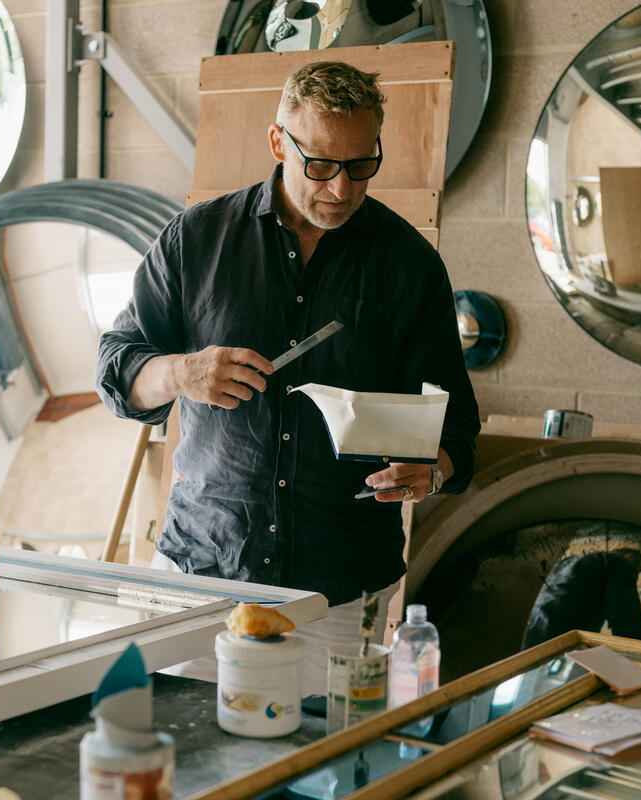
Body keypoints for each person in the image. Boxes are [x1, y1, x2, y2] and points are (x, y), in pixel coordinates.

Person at [96, 61, 480, 692]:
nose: (340, 188)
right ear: (278, 143)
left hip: (340, 592)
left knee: (322, 780)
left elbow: (458, 426)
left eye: (361, 166)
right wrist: (179, 372)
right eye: (321, 165)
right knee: (187, 771)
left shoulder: (409, 265)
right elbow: (116, 370)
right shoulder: (198, 239)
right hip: (202, 573)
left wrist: (433, 467)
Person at [523, 548, 641, 648]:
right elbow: (624, 610)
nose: (636, 572)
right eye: (638, 567)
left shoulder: (568, 561)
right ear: (628, 556)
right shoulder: (622, 563)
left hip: (534, 627)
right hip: (562, 633)